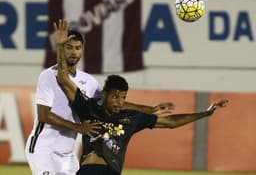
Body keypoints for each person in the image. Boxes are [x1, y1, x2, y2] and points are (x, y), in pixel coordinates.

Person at [55, 20, 228, 175]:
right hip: (86, 171)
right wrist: (60, 47)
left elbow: (170, 123)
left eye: (123, 98)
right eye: (115, 97)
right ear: (105, 94)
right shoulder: (89, 107)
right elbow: (63, 78)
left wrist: (204, 114)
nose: (119, 102)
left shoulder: (131, 118)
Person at [25, 19, 174, 175]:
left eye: (77, 48)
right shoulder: (48, 76)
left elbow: (111, 103)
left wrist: (149, 109)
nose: (73, 52)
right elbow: (43, 115)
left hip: (68, 153)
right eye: (68, 47)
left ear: (82, 50)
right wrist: (78, 128)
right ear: (62, 48)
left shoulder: (88, 81)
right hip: (44, 149)